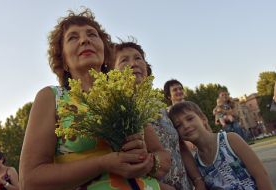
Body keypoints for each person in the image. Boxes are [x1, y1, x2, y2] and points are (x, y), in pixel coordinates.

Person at [19, 8, 170, 190]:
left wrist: (150, 162)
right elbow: (30, 180)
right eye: (73, 38)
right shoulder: (52, 97)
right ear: (63, 60)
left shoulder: (123, 97)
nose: (85, 40)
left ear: (105, 54)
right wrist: (103, 163)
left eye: (92, 34)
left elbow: (162, 156)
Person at [113, 41, 206, 190]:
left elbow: (180, 147)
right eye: (124, 60)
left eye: (138, 58)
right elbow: (123, 166)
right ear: (112, 72)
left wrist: (198, 180)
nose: (134, 63)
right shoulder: (115, 110)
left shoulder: (160, 107)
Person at [168, 101, 274, 190]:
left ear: (203, 119)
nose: (186, 126)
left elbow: (261, 175)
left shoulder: (231, 140)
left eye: (190, 119)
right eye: (179, 125)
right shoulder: (197, 164)